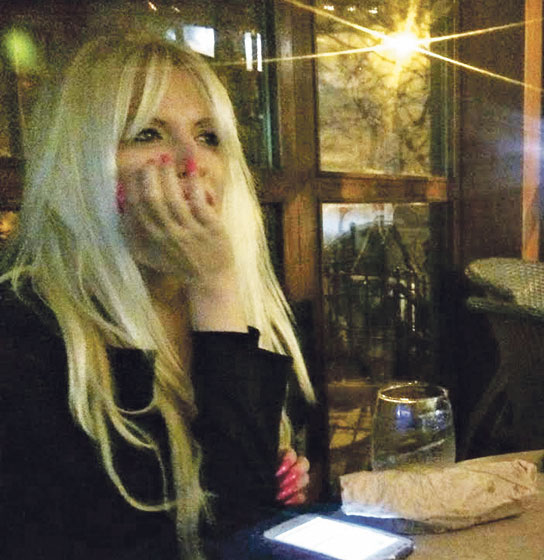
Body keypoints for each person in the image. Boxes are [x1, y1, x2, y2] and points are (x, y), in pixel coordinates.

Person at [0, 35, 316, 558]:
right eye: (148, 133)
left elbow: (241, 520)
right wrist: (215, 285)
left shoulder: (240, 305)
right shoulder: (25, 328)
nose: (192, 163)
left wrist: (265, 477)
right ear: (79, 162)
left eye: (209, 137)